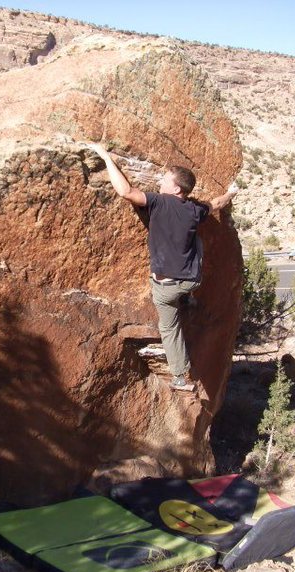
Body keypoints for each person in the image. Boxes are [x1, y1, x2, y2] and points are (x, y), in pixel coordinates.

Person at [89, 143, 238, 392]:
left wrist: (105, 157)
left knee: (169, 327)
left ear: (176, 189)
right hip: (192, 280)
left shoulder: (158, 202)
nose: (161, 181)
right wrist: (232, 193)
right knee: (197, 241)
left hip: (166, 287)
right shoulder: (195, 209)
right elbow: (217, 203)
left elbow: (125, 191)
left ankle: (180, 375)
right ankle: (188, 296)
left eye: (165, 180)